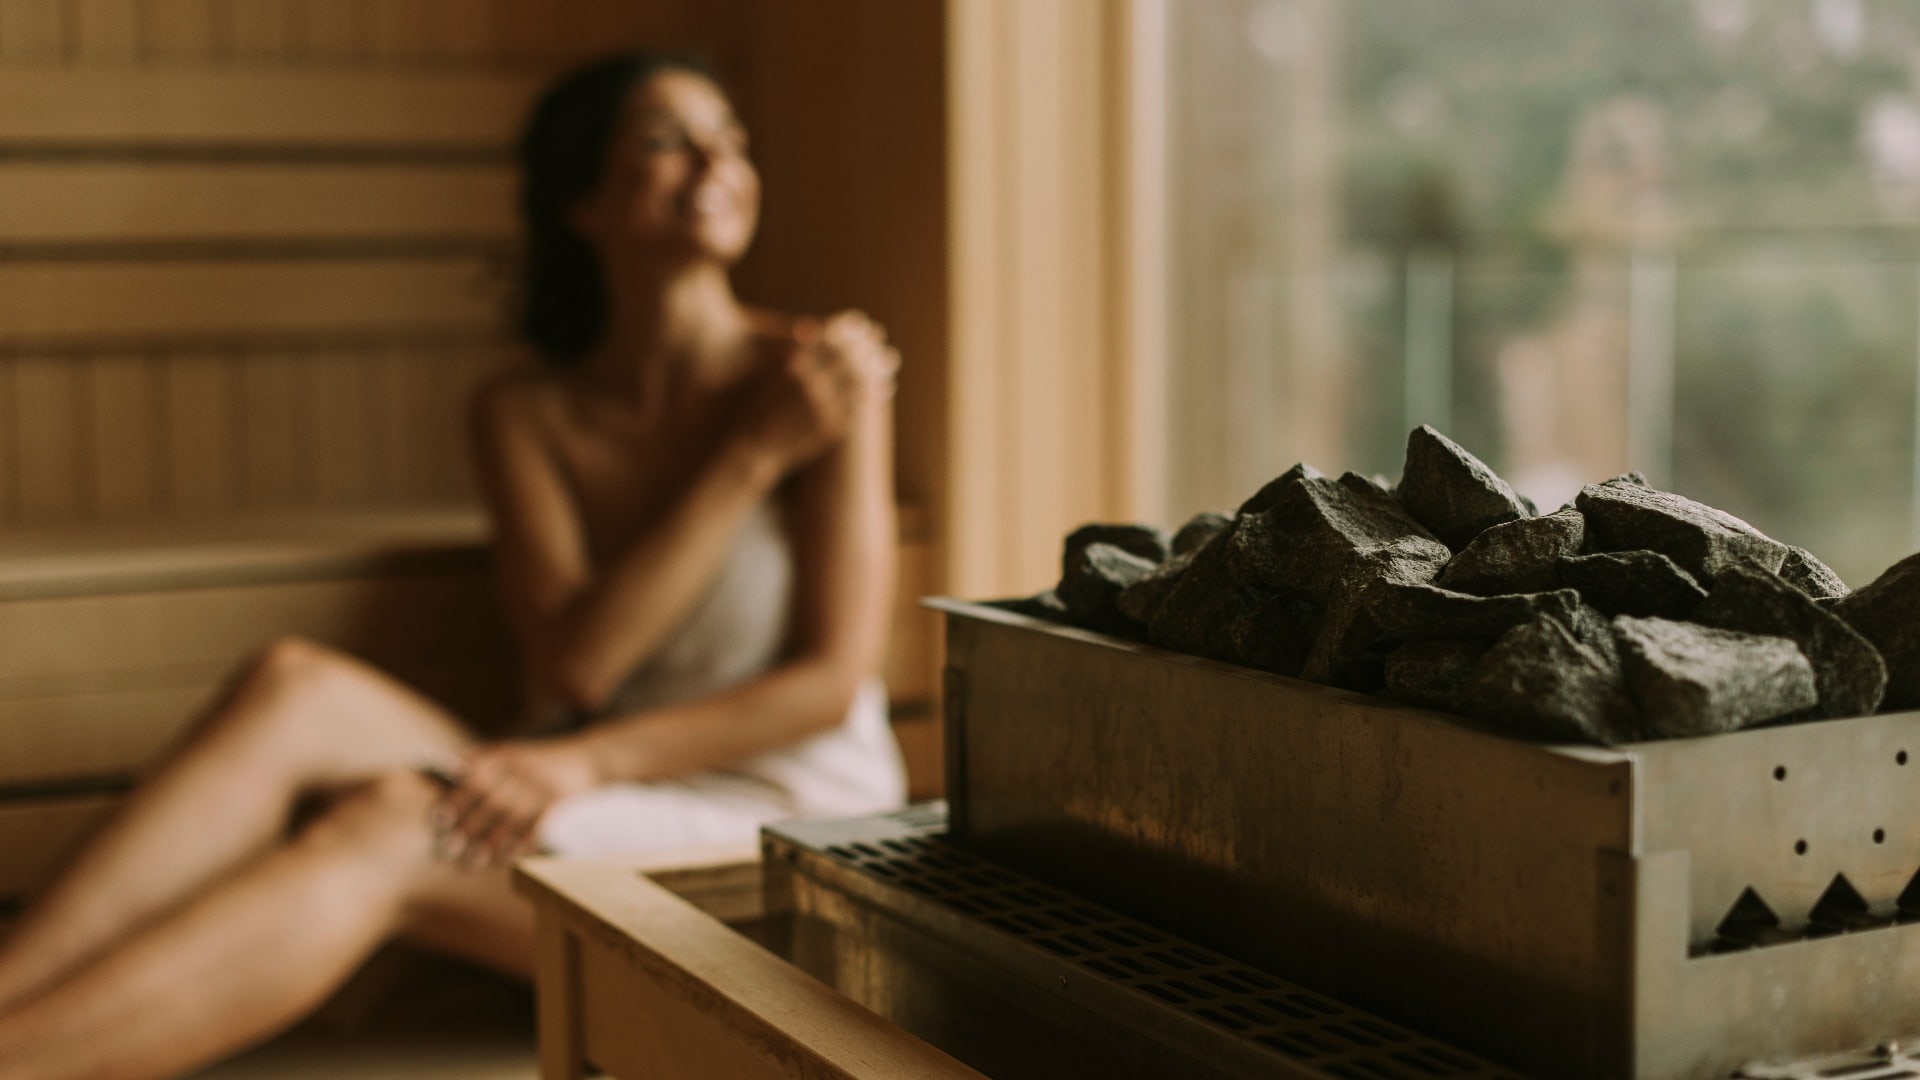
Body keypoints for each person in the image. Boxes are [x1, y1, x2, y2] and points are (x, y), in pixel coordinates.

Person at [0, 51, 906, 1080]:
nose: (714, 159)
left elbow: (827, 684)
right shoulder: (529, 412)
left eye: (730, 137)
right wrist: (748, 460)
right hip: (587, 782)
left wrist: (580, 761)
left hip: (783, 830)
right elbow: (575, 669)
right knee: (293, 685)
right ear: (582, 202)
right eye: (665, 139)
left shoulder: (821, 379)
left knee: (396, 821)